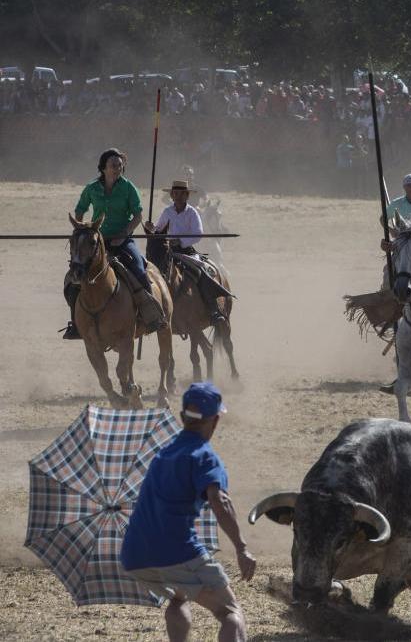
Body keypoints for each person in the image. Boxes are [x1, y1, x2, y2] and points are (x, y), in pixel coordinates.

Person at [120, 382, 254, 642]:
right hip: (176, 551)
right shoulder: (204, 456)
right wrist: (241, 547)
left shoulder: (163, 454)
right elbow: (220, 501)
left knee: (178, 595)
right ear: (214, 421)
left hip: (135, 554)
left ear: (183, 417)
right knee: (229, 611)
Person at [63, 148, 166, 339]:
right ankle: (76, 324)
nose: (117, 168)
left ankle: (149, 316)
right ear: (103, 168)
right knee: (72, 279)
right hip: (95, 242)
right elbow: (80, 210)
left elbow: (137, 216)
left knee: (138, 269)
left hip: (122, 241)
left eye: (120, 165)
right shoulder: (91, 188)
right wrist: (82, 229)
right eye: (113, 165)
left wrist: (124, 233)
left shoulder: (128, 188)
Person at [142, 181, 231, 325]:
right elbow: (159, 231)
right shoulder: (167, 212)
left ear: (187, 195)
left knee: (202, 272)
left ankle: (213, 309)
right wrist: (151, 229)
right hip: (167, 252)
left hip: (186, 251)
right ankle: (151, 310)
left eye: (181, 194)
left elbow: (198, 234)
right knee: (151, 273)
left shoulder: (192, 212)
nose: (178, 196)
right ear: (171, 195)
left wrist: (181, 241)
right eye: (175, 193)